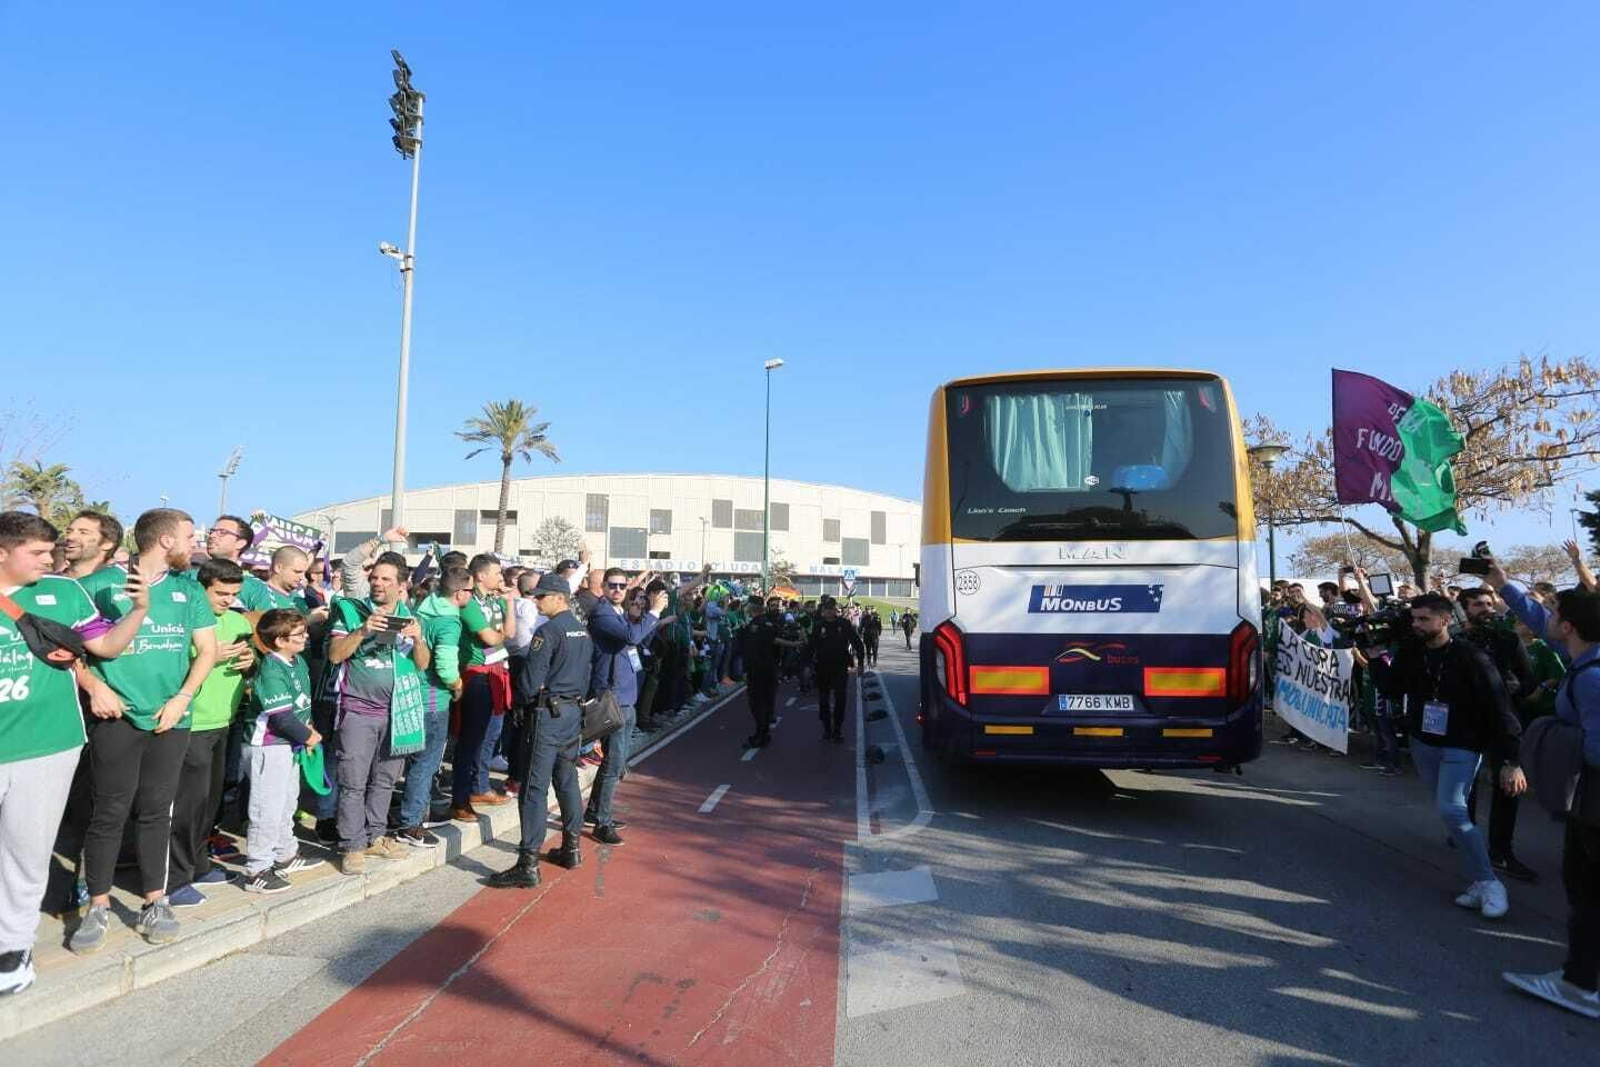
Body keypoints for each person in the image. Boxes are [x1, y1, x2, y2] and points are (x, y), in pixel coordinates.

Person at [0, 512, 152, 995]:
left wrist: (137, 612)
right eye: (38, 553)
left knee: (25, 851)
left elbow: (106, 646)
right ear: (3, 552)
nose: (52, 559)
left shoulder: (65, 593)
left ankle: (13, 949)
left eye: (52, 551)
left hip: (48, 745)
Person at [72, 508, 219, 954]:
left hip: (170, 719)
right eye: (191, 535)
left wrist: (182, 699)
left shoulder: (188, 589)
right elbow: (68, 651)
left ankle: (155, 901)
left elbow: (207, 651)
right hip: (116, 717)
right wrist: (95, 685)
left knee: (157, 810)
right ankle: (96, 904)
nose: (198, 543)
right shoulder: (97, 585)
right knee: (109, 811)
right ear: (166, 541)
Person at [1486, 560, 1600, 1018]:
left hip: (1595, 805)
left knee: (1588, 891)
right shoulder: (1586, 655)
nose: (1543, 615)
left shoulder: (1592, 679)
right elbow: (1537, 620)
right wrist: (1503, 586)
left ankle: (1580, 985)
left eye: (1554, 611)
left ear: (1569, 626)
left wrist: (1555, 740)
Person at [1369, 593, 1525, 922]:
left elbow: (1500, 708)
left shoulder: (1472, 657)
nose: (1416, 625)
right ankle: (1479, 882)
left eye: (1424, 619)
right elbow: (1393, 689)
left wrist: (1511, 760)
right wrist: (1374, 656)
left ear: (1445, 620)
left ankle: (1489, 882)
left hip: (1463, 744)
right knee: (1450, 813)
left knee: (1450, 808)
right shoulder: (1411, 653)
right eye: (1414, 619)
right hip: (1423, 743)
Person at [488, 573, 594, 889]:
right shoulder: (582, 631)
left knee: (534, 788)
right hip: (572, 712)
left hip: (547, 714)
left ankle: (528, 863)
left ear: (559, 597)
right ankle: (572, 848)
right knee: (566, 781)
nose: (537, 600)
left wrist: (521, 704)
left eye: (542, 596)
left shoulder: (548, 632)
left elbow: (530, 682)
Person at [326, 558, 430, 875]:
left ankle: (375, 836)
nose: (378, 583)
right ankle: (352, 845)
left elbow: (423, 664)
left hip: (400, 712)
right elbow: (334, 655)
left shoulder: (411, 616)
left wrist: (418, 639)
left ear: (402, 585)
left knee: (385, 781)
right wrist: (363, 630)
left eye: (386, 579)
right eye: (375, 577)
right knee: (353, 782)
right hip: (358, 709)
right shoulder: (350, 609)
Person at [166, 558, 256, 907]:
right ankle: (173, 878)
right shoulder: (184, 620)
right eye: (221, 593)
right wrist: (208, 655)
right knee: (186, 805)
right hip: (192, 723)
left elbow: (251, 667)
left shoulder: (236, 620)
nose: (227, 600)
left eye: (233, 594)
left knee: (209, 803)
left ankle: (199, 863)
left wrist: (250, 663)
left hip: (225, 721)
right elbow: (169, 666)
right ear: (201, 587)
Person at [1457, 587, 1539, 882]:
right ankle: (1464, 834)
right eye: (1479, 604)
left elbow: (1529, 679)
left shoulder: (1508, 638)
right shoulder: (1457, 641)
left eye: (1490, 603)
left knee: (1508, 787)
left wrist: (1509, 688)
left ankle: (1501, 850)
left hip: (1504, 723)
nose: (1486, 608)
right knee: (1465, 785)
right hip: (1466, 725)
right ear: (1464, 609)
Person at [240, 609, 323, 894]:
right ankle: (257, 869)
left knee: (288, 802)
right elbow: (281, 718)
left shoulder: (296, 661)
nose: (305, 637)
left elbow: (301, 707)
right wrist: (310, 736)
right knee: (267, 809)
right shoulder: (271, 669)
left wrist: (307, 730)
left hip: (290, 744)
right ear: (279, 640)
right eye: (299, 634)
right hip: (268, 745)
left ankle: (284, 855)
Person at [584, 568, 668, 843]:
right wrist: (654, 612)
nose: (619, 589)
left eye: (623, 585)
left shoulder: (617, 612)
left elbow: (635, 634)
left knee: (615, 761)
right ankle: (601, 822)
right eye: (613, 585)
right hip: (614, 697)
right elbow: (631, 637)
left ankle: (595, 811)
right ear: (603, 587)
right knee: (614, 763)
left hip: (626, 696)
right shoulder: (602, 613)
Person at [395, 566, 471, 848]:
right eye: (470, 592)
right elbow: (446, 667)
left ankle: (418, 813)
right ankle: (411, 822)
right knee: (425, 764)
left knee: (411, 763)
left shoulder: (422, 608)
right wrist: (457, 686)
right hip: (433, 700)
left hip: (409, 694)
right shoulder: (450, 622)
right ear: (460, 593)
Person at [451, 554, 517, 822]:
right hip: (476, 676)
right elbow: (489, 637)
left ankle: (479, 787)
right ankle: (460, 798)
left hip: (497, 672)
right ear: (480, 576)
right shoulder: (469, 602)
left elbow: (509, 633)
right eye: (496, 572)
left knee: (490, 735)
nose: (501, 578)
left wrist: (509, 603)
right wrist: (497, 637)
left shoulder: (494, 599)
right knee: (470, 741)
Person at [726, 596, 802, 749]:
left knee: (757, 703)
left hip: (758, 670)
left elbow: (772, 640)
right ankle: (763, 734)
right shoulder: (763, 622)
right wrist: (793, 643)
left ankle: (761, 735)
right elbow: (777, 638)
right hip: (768, 668)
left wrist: (793, 643)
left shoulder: (758, 624)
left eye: (748, 605)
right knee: (765, 702)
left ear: (752, 607)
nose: (745, 607)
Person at [810, 596, 866, 742]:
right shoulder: (818, 625)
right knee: (823, 699)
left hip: (840, 666)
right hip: (822, 667)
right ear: (823, 610)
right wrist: (805, 666)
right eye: (826, 609)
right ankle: (827, 729)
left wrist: (860, 663)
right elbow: (810, 647)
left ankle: (838, 729)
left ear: (836, 609)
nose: (829, 612)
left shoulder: (844, 624)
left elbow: (857, 643)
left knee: (840, 697)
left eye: (832, 609)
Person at [57, 510, 123, 581]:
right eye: (69, 532)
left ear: (107, 544)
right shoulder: (49, 582)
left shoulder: (122, 585)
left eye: (83, 532)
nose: (70, 537)